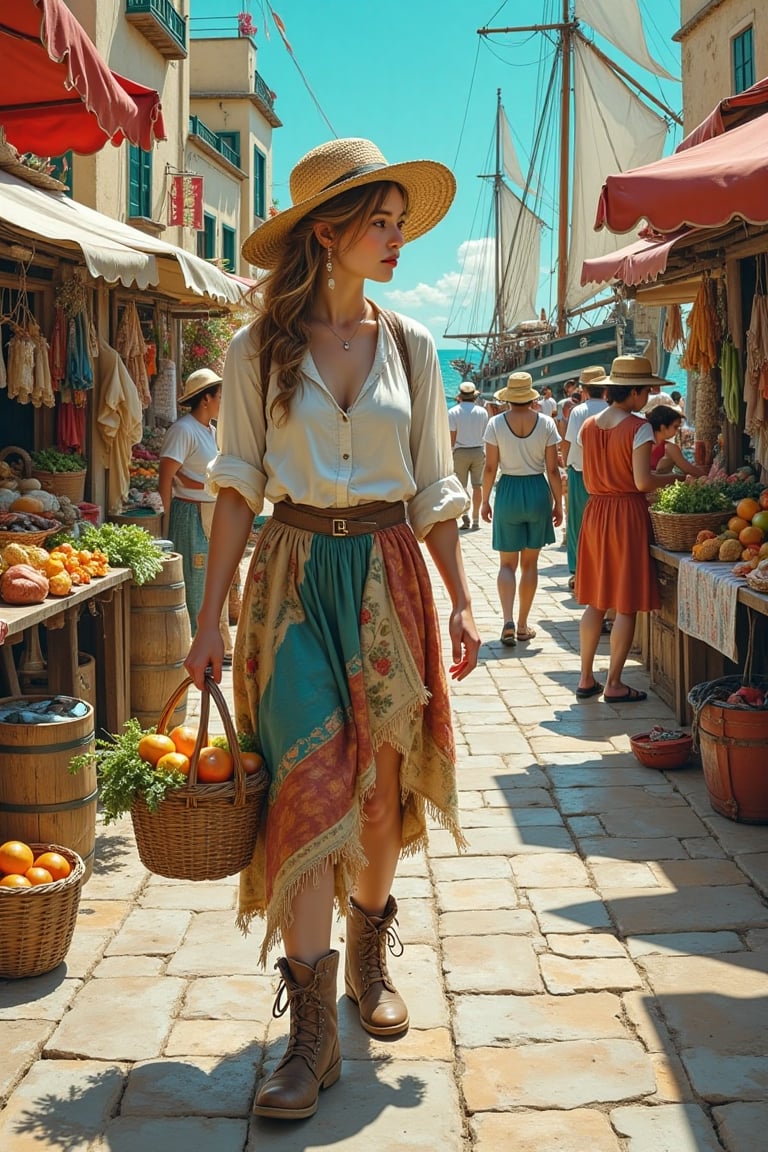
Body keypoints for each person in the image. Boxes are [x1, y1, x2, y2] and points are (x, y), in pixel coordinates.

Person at [183, 137, 480, 1122]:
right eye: (379, 223)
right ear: (327, 231)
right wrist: (205, 618)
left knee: (382, 791)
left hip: (389, 573)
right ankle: (311, 1035)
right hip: (295, 576)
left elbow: (436, 486)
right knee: (308, 785)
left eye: (399, 222)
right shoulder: (256, 348)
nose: (397, 240)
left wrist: (465, 595)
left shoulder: (415, 347)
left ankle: (365, 944)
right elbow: (234, 490)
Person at [575, 355, 676, 703]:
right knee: (626, 602)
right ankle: (614, 683)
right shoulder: (638, 427)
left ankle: (586, 677)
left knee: (596, 601)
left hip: (596, 512)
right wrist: (679, 476)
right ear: (632, 392)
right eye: (646, 389)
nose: (648, 396)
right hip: (626, 513)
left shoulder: (588, 426)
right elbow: (643, 481)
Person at [480, 371, 562, 645]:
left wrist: (484, 500)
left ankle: (507, 621)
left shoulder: (495, 423)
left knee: (506, 564)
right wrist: (559, 504)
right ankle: (524, 625)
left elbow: (490, 467)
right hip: (538, 491)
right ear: (530, 396)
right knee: (530, 564)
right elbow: (553, 469)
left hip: (509, 492)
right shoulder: (547, 423)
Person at [158, 368, 233, 664]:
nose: (222, 403)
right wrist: (163, 526)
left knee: (215, 577)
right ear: (205, 399)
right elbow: (167, 476)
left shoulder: (212, 431)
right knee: (196, 577)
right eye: (219, 397)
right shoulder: (183, 430)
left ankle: (220, 643)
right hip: (189, 513)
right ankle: (192, 645)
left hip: (211, 511)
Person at [562, 365, 608, 589]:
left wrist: (564, 463)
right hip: (606, 475)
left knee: (577, 524)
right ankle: (601, 569)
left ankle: (578, 571)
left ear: (585, 389)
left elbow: (569, 442)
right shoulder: (610, 409)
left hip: (580, 472)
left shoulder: (578, 411)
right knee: (602, 525)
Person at [448, 380, 488, 530]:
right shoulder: (482, 412)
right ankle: (476, 518)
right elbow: (486, 434)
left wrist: (450, 452)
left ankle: (465, 516)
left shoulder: (453, 412)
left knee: (461, 486)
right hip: (478, 451)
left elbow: (452, 437)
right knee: (478, 486)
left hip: (460, 452)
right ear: (474, 396)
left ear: (460, 396)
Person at [647, 404, 708, 476]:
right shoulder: (669, 448)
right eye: (675, 427)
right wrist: (710, 479)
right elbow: (689, 469)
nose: (677, 430)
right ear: (663, 427)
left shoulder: (640, 443)